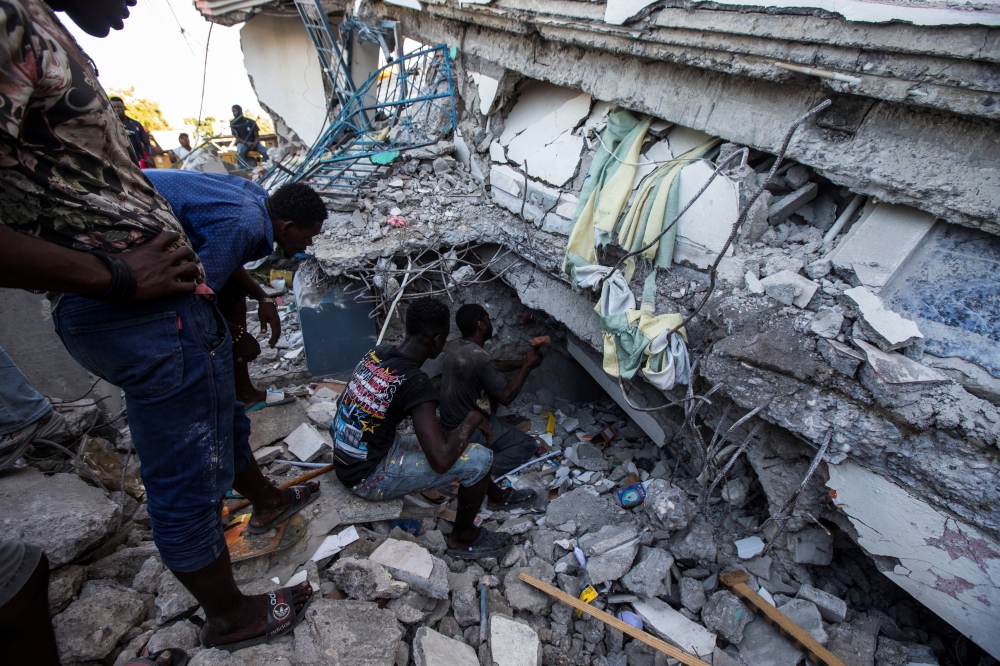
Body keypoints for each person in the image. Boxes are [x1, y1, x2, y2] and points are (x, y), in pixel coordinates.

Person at [0, 0, 315, 652]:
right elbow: (211, 270)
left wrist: (253, 300)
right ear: (291, 227)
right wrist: (118, 278)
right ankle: (231, 616)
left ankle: (266, 497)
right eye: (304, 238)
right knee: (188, 475)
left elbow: (224, 268)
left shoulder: (252, 200)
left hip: (146, 311)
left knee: (218, 423)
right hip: (142, 313)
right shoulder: (8, 23)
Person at [332, 298, 517, 560]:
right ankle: (463, 537)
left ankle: (495, 494)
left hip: (346, 459)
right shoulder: (416, 383)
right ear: (439, 340)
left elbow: (342, 404)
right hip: (366, 478)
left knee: (449, 440)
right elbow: (441, 461)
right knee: (480, 458)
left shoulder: (378, 353)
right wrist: (473, 418)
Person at [144, 169, 325, 410]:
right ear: (287, 227)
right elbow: (196, 295)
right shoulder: (244, 225)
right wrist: (238, 337)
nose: (309, 243)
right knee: (196, 326)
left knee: (232, 296)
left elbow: (225, 261)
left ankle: (244, 393)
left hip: (150, 199)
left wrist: (263, 298)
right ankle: (207, 402)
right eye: (308, 236)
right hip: (129, 215)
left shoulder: (260, 201)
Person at [439, 304, 543, 505]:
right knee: (528, 444)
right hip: (471, 429)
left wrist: (521, 362)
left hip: (451, 426)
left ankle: (473, 459)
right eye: (488, 319)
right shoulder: (479, 357)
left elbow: (491, 366)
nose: (490, 323)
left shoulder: (457, 347)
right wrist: (527, 368)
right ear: (480, 325)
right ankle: (475, 468)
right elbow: (506, 396)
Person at [110, 95, 153, 168]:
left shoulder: (135, 124)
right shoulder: (108, 123)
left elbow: (146, 142)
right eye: (114, 107)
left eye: (120, 107)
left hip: (136, 161)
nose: (117, 109)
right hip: (117, 162)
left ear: (124, 108)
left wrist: (149, 156)